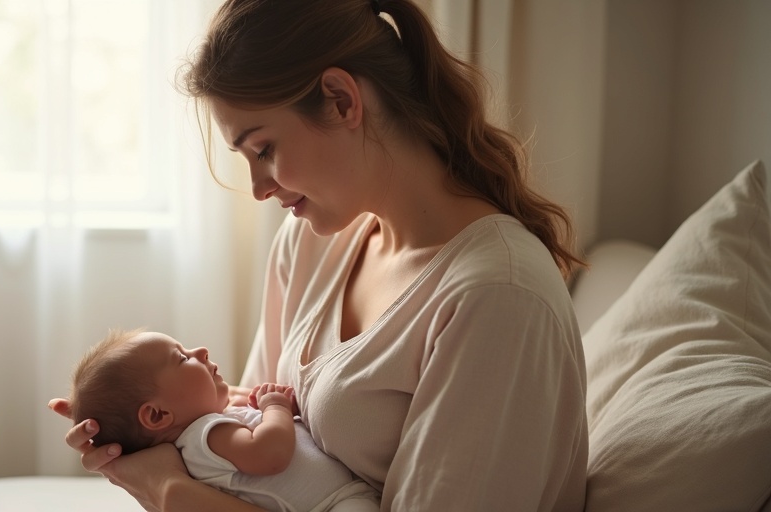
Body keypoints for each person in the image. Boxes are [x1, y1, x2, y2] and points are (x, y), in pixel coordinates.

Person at [48, 0, 589, 510]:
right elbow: (248, 421)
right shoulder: (308, 242)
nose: (259, 187)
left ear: (341, 100)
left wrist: (171, 492)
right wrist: (132, 433)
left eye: (264, 149)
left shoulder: (496, 298)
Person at [67, 328, 380, 512]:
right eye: (181, 357)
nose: (200, 351)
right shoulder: (206, 435)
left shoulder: (207, 433)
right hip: (334, 505)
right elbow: (268, 455)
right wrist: (276, 408)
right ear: (157, 414)